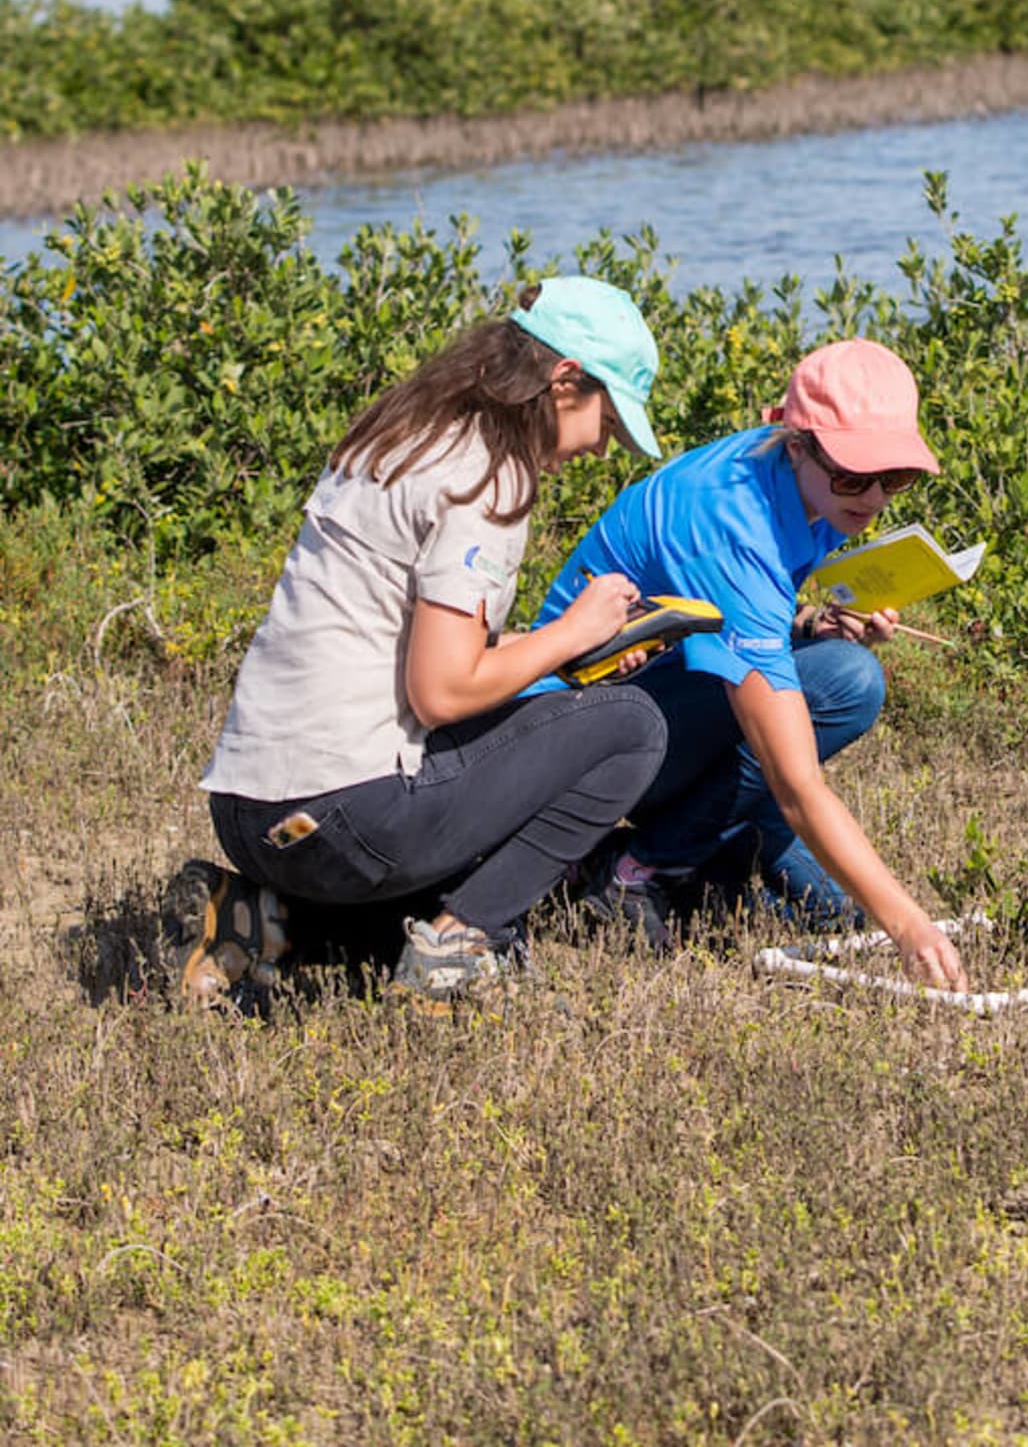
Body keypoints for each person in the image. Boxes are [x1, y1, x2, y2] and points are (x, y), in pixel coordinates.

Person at [169, 277, 668, 1009]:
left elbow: (420, 653)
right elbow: (441, 692)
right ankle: (458, 948)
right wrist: (570, 634)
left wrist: (568, 650)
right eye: (608, 421)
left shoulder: (405, 433)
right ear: (565, 382)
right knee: (633, 728)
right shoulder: (488, 477)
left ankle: (267, 918)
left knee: (400, 919)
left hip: (250, 810)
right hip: (341, 813)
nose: (602, 450)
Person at [535, 338, 969, 993]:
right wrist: (908, 923)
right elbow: (794, 782)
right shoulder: (730, 518)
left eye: (895, 478)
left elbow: (728, 621)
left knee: (836, 915)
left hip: (654, 698)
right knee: (847, 681)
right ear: (796, 443)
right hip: (569, 745)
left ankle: (673, 864)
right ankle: (637, 870)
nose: (875, 498)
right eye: (854, 475)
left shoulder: (798, 481)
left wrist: (808, 626)